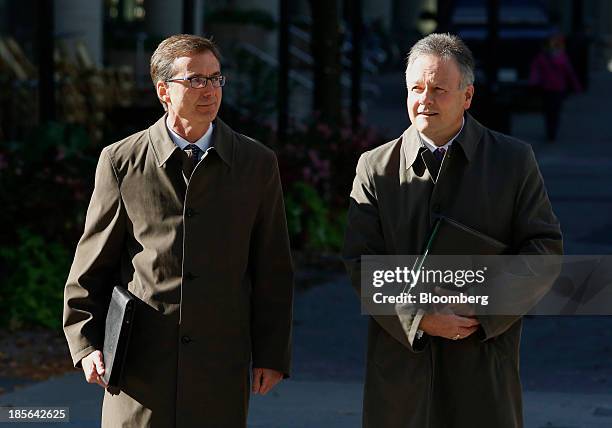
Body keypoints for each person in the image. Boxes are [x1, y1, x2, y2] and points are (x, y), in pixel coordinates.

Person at [63, 34, 293, 427]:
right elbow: (90, 265)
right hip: (139, 363)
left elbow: (272, 267)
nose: (209, 90)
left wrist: (271, 355)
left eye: (216, 78)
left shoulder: (256, 163)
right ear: (163, 91)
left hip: (220, 362)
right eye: (196, 80)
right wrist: (86, 344)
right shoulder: (121, 161)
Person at [343, 33, 562, 428]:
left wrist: (483, 305)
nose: (425, 99)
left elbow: (544, 249)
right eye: (416, 88)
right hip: (401, 364)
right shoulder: (374, 166)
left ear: (467, 96)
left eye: (439, 89)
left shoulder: (512, 160)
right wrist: (417, 315)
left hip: (482, 357)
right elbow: (361, 262)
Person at [529, 32, 582, 144]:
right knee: (554, 111)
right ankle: (552, 132)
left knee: (549, 111)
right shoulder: (561, 57)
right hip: (557, 88)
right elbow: (570, 72)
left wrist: (533, 81)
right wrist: (576, 86)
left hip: (548, 88)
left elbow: (535, 71)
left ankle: (550, 132)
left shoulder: (542, 57)